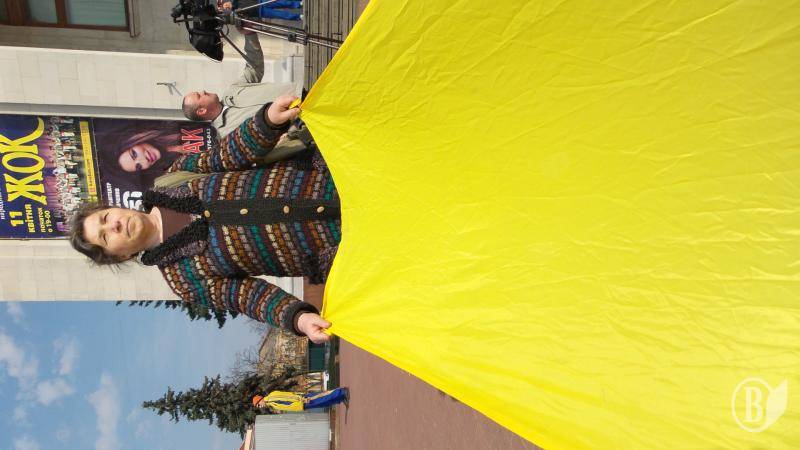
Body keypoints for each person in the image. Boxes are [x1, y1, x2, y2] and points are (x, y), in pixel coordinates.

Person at [69, 96, 335, 343]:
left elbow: (228, 154)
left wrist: (267, 121)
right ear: (120, 256)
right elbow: (248, 297)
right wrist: (298, 319)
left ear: (114, 208)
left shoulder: (173, 178)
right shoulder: (184, 281)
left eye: (105, 217)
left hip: (329, 178)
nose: (113, 225)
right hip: (335, 246)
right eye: (105, 236)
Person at [181, 32, 300, 139]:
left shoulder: (232, 90)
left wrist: (249, 35)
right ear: (201, 111)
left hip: (303, 91)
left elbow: (254, 68)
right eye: (199, 96)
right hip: (302, 120)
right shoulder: (228, 135)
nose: (203, 91)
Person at [95, 122, 200, 188]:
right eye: (138, 166)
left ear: (133, 139)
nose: (144, 160)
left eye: (134, 154)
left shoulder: (166, 122)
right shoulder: (173, 171)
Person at [252, 387, 349, 412]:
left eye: (258, 404)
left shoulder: (271, 398)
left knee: (323, 398)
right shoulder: (270, 403)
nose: (260, 406)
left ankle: (342, 392)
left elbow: (288, 397)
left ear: (260, 399)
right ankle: (340, 398)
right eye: (258, 406)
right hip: (302, 405)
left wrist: (302, 399)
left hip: (303, 401)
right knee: (324, 403)